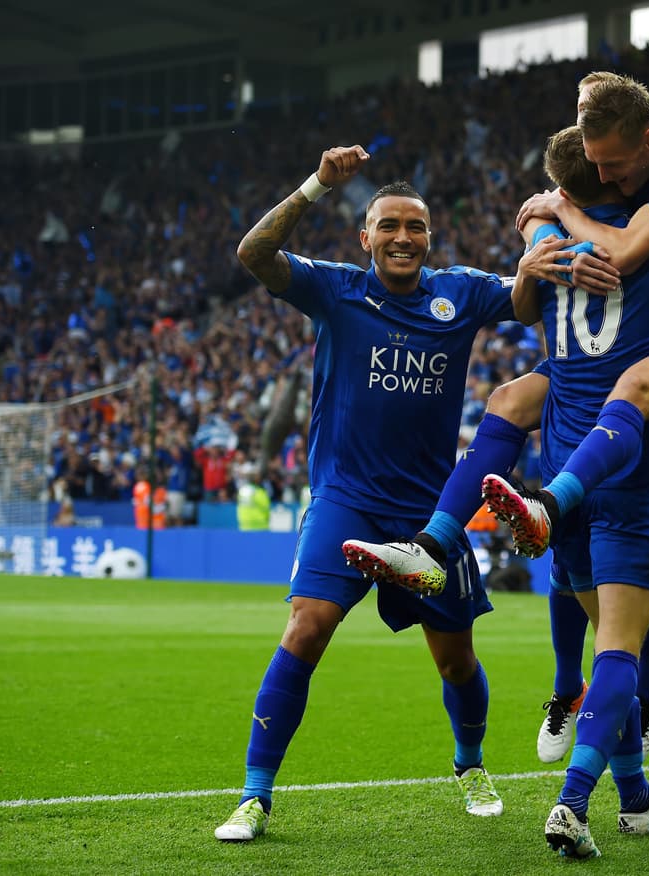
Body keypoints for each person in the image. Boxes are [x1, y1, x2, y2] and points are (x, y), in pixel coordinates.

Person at [350, 71, 649, 765]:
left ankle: (640, 698)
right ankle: (547, 660)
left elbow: (631, 245)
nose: (604, 170)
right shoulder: (611, 159)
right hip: (597, 367)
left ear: (644, 141)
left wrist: (559, 210)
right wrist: (534, 250)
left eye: (609, 165)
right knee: (513, 403)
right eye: (594, 164)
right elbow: (534, 279)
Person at [214, 148, 516, 843]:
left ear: (430, 239)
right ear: (366, 237)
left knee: (455, 661)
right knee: (306, 627)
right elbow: (255, 252)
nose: (402, 237)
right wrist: (318, 182)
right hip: (346, 500)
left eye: (415, 226)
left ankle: (469, 764)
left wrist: (547, 230)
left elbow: (528, 298)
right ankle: (255, 796)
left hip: (429, 517)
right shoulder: (337, 290)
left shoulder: (462, 292)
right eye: (388, 226)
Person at [478, 126, 649, 858]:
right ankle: (574, 803)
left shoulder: (549, 237)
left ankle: (638, 799)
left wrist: (533, 228)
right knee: (623, 646)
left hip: (562, 451)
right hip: (634, 467)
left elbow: (521, 307)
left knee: (603, 632)